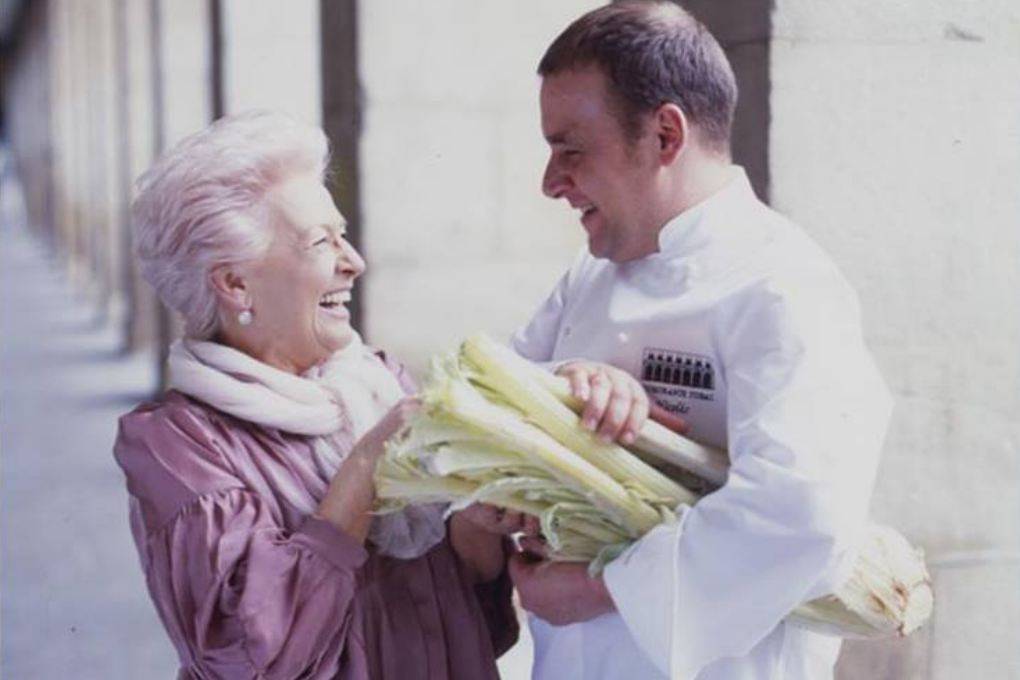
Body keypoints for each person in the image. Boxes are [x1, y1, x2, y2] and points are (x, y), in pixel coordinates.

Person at [507, 2, 892, 679]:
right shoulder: (587, 276)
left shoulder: (782, 284)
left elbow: (801, 513)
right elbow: (498, 403)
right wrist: (569, 381)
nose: (550, 183)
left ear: (663, 135)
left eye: (571, 151)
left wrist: (599, 591)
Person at [114, 110, 525, 679]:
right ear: (235, 284)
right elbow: (256, 654)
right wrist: (365, 467)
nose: (354, 262)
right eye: (320, 243)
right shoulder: (175, 445)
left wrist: (479, 521)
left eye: (344, 235)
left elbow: (467, 608)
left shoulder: (377, 383)